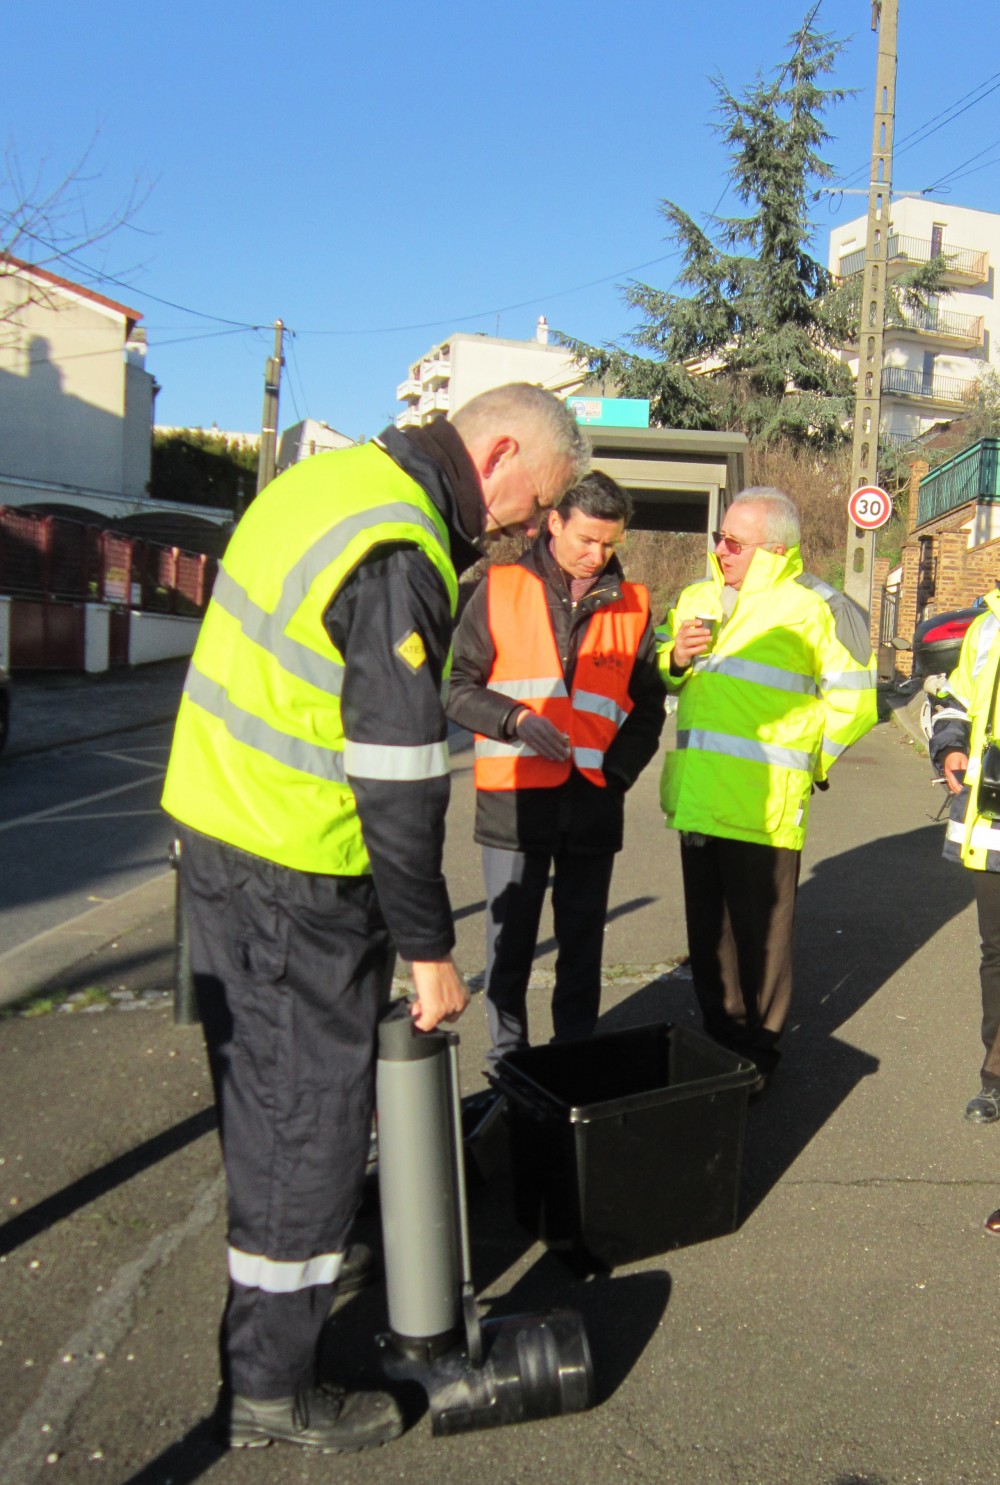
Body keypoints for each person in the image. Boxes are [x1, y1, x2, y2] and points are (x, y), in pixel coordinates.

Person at [160, 383, 589, 1453]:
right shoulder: (401, 546)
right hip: (293, 876)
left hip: (223, 844)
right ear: (495, 454)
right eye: (536, 505)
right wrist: (431, 950)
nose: (532, 529)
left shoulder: (330, 486)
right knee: (307, 1123)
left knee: (269, 1109)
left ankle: (298, 1285)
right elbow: (399, 782)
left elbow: (351, 686)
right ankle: (271, 1388)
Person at [657, 487, 878, 1091]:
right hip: (700, 798)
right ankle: (720, 1048)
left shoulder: (819, 606)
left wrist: (808, 764)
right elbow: (663, 667)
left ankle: (759, 1056)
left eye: (733, 542)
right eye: (718, 538)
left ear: (775, 549)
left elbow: (857, 701)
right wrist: (672, 657)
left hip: (764, 806)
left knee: (763, 941)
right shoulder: (696, 597)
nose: (719, 550)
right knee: (709, 939)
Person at [446, 470, 666, 1065]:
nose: (598, 555)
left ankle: (571, 1064)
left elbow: (648, 705)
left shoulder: (634, 603)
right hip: (513, 801)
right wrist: (515, 719)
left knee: (581, 950)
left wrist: (619, 772)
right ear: (555, 523)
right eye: (586, 540)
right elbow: (457, 688)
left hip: (594, 800)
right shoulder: (497, 588)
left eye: (610, 543)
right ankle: (507, 1067)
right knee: (508, 948)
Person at [928, 586, 1000, 1127]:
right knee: (997, 953)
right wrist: (951, 746)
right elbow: (954, 702)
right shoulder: (987, 626)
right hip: (994, 822)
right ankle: (995, 1077)